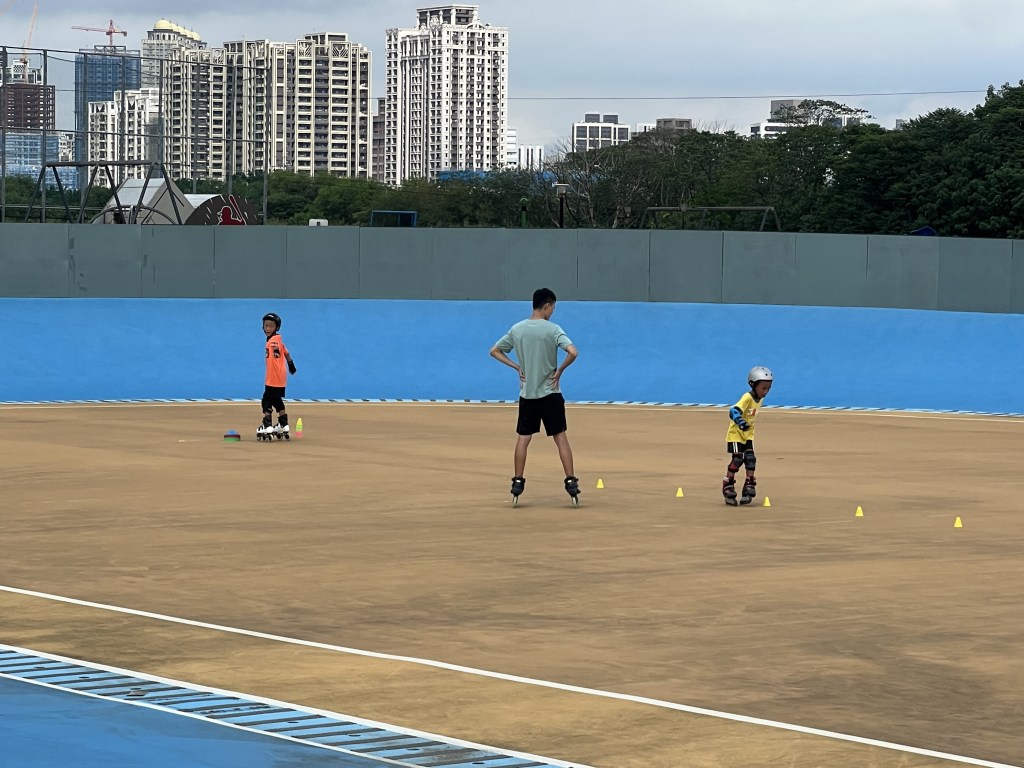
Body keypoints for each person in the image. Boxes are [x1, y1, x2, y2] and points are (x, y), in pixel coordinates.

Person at [490, 288, 580, 506]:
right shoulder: (553, 329)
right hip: (550, 393)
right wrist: (559, 371)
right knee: (560, 437)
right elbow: (573, 352)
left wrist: (516, 367)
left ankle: (518, 481)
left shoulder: (517, 329)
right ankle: (570, 482)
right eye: (553, 308)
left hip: (528, 394)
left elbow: (495, 350)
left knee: (523, 438)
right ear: (547, 306)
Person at [723, 366, 774, 505]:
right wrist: (740, 422)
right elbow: (733, 410)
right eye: (763, 388)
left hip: (748, 435)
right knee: (738, 459)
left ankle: (749, 484)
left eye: (768, 389)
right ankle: (728, 484)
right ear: (753, 384)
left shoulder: (759, 399)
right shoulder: (747, 397)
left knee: (750, 459)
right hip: (736, 435)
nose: (766, 392)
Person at [258, 312, 297, 441]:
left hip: (272, 377)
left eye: (271, 326)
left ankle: (267, 425)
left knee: (266, 400)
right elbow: (286, 353)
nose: (268, 329)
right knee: (277, 400)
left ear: (277, 327)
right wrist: (291, 365)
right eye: (266, 326)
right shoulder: (279, 341)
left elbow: (275, 350)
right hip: (281, 378)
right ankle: (283, 425)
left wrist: (273, 350)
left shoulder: (272, 342)